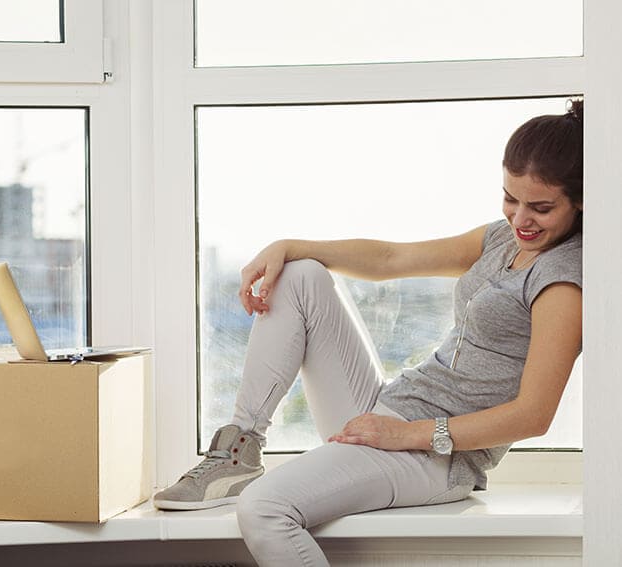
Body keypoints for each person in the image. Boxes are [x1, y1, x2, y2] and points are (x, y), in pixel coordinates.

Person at [153, 99, 584, 567]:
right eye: (510, 198)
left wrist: (408, 435)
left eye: (540, 207)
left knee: (264, 508)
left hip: (437, 457)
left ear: (581, 200)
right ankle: (240, 448)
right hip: (389, 411)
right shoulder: (503, 239)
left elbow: (533, 415)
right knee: (301, 275)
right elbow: (391, 260)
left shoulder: (562, 281)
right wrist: (288, 245)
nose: (520, 219)